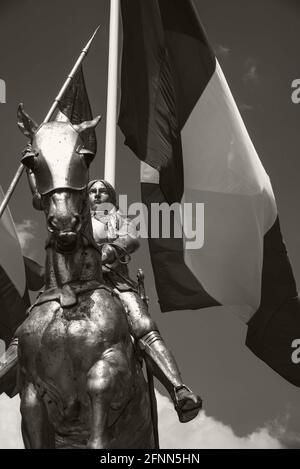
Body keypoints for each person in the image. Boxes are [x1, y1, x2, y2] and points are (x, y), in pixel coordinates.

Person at [88, 179, 202, 423]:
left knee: (144, 327)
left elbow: (131, 239)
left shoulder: (117, 218)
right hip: (74, 282)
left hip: (114, 282)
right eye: (92, 191)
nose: (97, 195)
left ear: (111, 197)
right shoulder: (75, 219)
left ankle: (178, 390)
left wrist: (110, 249)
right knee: (35, 321)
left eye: (103, 191)